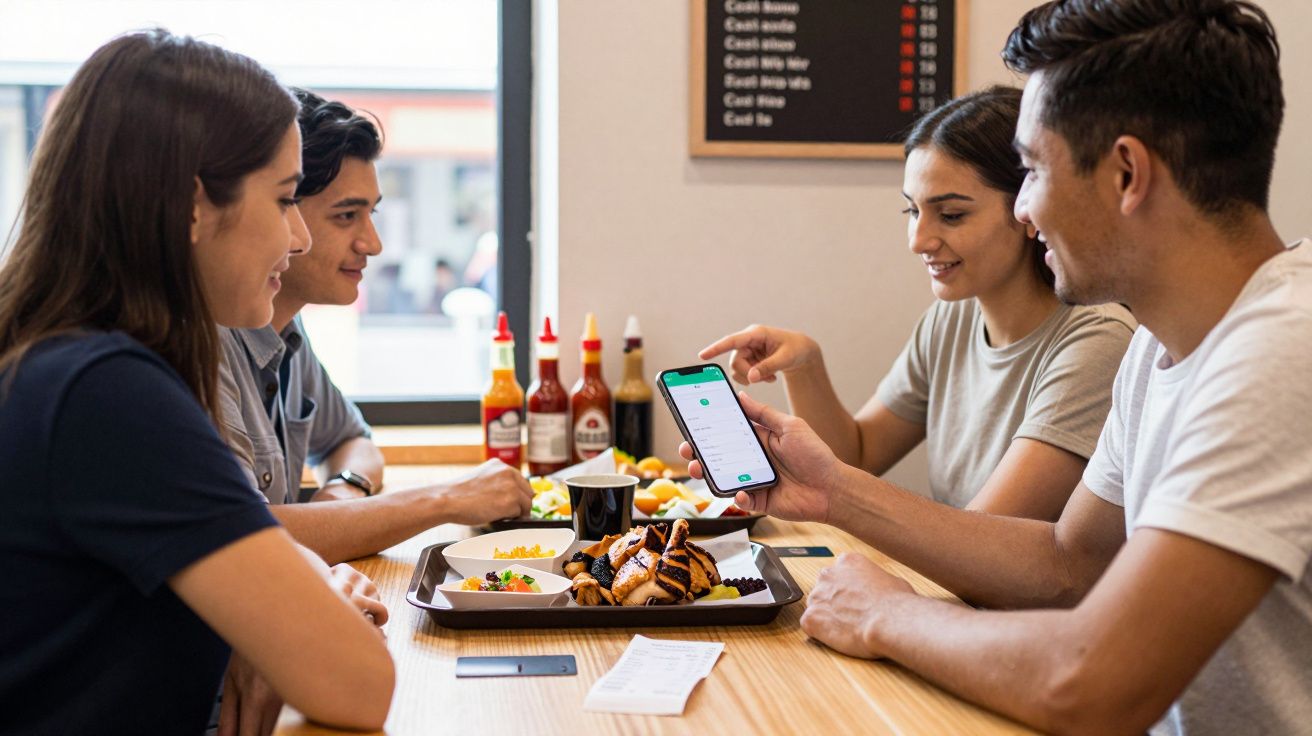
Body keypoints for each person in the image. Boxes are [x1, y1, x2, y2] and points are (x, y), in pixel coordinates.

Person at [684, 1, 1309, 733]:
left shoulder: (1279, 351)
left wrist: (890, 616)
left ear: (1127, 174)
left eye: (1035, 170)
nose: (1025, 211)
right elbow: (1067, 563)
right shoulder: (1163, 343)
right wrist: (833, 492)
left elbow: (1093, 679)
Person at [0, 31, 394, 735]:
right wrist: (302, 604)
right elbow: (361, 683)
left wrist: (281, 597)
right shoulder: (109, 394)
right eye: (281, 201)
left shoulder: (70, 362)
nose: (296, 239)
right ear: (192, 206)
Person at [703, 87, 1134, 520]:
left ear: (1028, 208)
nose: (918, 241)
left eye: (950, 215)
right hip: (952, 587)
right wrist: (805, 367)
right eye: (912, 211)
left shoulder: (1097, 342)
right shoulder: (952, 318)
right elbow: (857, 456)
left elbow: (982, 541)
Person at [217, 89, 532, 565]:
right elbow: (249, 541)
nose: (374, 243)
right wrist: (445, 498)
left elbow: (353, 440)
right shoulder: (203, 344)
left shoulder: (287, 334)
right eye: (347, 216)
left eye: (372, 213)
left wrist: (343, 493)